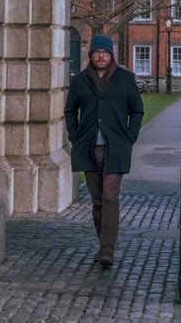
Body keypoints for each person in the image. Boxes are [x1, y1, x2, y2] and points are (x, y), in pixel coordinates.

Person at [64, 34, 144, 267]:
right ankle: (103, 244)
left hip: (116, 148)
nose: (101, 55)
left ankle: (107, 249)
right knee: (97, 201)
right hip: (88, 148)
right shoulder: (80, 81)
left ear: (111, 56)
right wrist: (74, 135)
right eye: (97, 52)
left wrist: (130, 137)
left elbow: (137, 110)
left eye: (105, 52)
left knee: (110, 197)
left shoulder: (125, 79)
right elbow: (70, 111)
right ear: (91, 55)